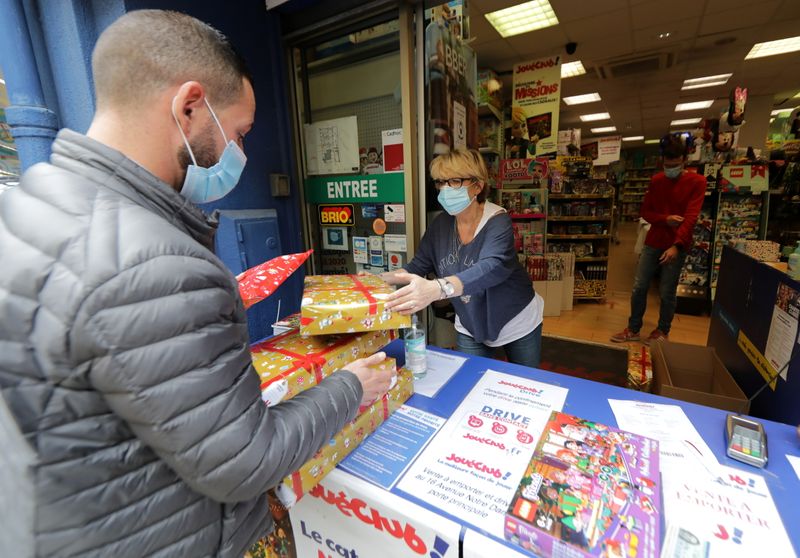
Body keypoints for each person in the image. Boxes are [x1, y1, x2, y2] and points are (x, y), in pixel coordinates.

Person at [0, 10, 392, 557]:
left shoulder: (30, 203)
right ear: (189, 107)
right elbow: (244, 462)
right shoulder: (157, 262)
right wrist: (352, 387)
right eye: (239, 132)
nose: (241, 153)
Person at [383, 148, 544, 367]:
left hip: (516, 318)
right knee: (471, 382)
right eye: (441, 182)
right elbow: (416, 266)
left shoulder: (498, 221)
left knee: (528, 383)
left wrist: (437, 288)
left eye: (455, 181)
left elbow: (492, 267)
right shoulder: (441, 224)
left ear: (477, 186)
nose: (445, 189)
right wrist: (381, 279)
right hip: (470, 322)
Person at [611, 133, 706, 345]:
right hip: (653, 240)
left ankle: (662, 330)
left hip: (676, 245)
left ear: (684, 160)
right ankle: (633, 329)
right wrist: (665, 219)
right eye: (667, 164)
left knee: (666, 291)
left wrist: (676, 245)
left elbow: (691, 217)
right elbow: (646, 212)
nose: (671, 168)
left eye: (675, 164)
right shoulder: (657, 180)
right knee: (639, 286)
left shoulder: (697, 182)